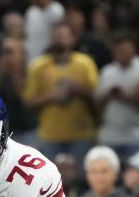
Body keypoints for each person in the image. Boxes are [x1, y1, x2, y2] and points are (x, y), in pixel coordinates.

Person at [22, 23, 98, 167]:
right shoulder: (37, 66)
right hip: (50, 135)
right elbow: (28, 102)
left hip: (81, 133)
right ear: (51, 39)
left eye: (64, 36)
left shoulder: (85, 63)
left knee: (80, 180)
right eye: (57, 36)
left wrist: (78, 89)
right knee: (50, 183)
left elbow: (97, 97)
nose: (60, 40)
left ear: (73, 39)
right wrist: (51, 96)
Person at [95, 31, 139, 158]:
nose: (122, 53)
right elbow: (97, 102)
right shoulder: (107, 71)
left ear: (134, 49)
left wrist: (126, 97)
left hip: (135, 135)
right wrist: (109, 95)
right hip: (109, 135)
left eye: (125, 50)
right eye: (119, 50)